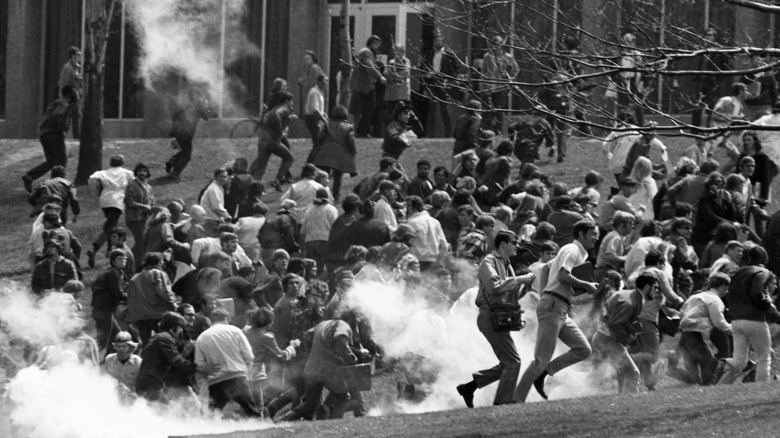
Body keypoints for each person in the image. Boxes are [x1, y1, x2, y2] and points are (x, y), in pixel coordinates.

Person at [515, 220, 599, 402]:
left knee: (583, 349)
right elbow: (563, 275)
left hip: (559, 307)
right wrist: (586, 284)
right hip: (553, 306)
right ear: (581, 235)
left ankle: (545, 374)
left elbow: (547, 268)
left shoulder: (578, 252)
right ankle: (517, 399)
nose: (596, 237)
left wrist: (545, 291)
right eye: (593, 234)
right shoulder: (572, 249)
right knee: (540, 358)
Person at [456, 230, 535, 407]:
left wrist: (523, 286)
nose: (517, 246)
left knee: (508, 363)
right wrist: (521, 278)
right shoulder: (489, 261)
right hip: (490, 317)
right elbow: (495, 286)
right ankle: (502, 403)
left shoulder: (505, 262)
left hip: (499, 317)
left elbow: (507, 292)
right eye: (514, 242)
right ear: (503, 244)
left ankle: (470, 387)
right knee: (513, 362)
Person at [591, 272, 658, 394]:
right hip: (607, 340)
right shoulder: (629, 301)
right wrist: (628, 339)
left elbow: (628, 318)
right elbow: (614, 324)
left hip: (603, 338)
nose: (657, 291)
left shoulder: (633, 296)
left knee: (598, 380)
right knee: (633, 373)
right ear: (647, 287)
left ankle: (570, 388)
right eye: (656, 288)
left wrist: (638, 328)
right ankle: (629, 404)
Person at [668, 272, 732, 385]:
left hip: (684, 338)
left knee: (694, 378)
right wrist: (735, 329)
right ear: (723, 286)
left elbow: (682, 313)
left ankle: (670, 370)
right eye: (727, 289)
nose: (727, 292)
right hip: (696, 338)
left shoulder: (694, 297)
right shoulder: (715, 300)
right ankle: (708, 391)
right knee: (709, 368)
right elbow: (719, 323)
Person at [194, 308, 261, 417]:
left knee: (213, 414)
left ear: (211, 320)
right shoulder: (235, 331)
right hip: (238, 376)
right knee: (251, 410)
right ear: (227, 318)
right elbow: (249, 355)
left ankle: (206, 431)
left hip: (216, 380)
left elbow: (200, 365)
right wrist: (247, 370)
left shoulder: (201, 337)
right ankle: (259, 427)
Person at [136, 312, 213, 403]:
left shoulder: (159, 338)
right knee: (161, 413)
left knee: (161, 411)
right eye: (180, 328)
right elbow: (176, 361)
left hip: (151, 382)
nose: (181, 331)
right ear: (174, 327)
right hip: (151, 383)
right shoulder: (165, 338)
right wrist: (199, 367)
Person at [22, 85, 79, 192]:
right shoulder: (63, 103)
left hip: (44, 133)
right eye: (74, 92)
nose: (77, 94)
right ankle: (58, 185)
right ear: (68, 94)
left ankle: (29, 176)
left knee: (51, 161)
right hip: (52, 133)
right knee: (61, 160)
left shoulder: (58, 102)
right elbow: (56, 116)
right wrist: (60, 129)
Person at [87, 155, 135, 268]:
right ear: (122, 163)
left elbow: (92, 178)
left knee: (111, 226)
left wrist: (95, 190)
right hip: (117, 200)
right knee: (109, 228)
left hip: (105, 200)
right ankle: (96, 249)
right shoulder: (126, 172)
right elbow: (133, 182)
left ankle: (107, 249)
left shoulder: (103, 172)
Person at [125, 252, 177, 346]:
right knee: (164, 341)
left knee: (147, 344)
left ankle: (147, 359)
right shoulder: (158, 273)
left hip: (140, 316)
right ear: (160, 262)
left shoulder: (135, 277)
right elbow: (164, 292)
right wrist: (174, 306)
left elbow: (130, 298)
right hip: (157, 314)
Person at [250, 92, 296, 191]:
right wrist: (281, 131)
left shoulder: (273, 109)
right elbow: (277, 117)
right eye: (291, 101)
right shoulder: (284, 109)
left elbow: (265, 120)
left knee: (260, 170)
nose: (292, 103)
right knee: (289, 158)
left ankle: (251, 190)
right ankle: (277, 180)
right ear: (287, 101)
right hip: (272, 141)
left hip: (262, 140)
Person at [165, 82, 212, 178]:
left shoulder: (188, 106)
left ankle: (172, 161)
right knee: (187, 155)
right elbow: (206, 117)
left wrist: (175, 129)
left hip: (179, 133)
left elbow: (174, 116)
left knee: (185, 151)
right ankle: (175, 173)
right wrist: (206, 107)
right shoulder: (198, 106)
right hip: (186, 134)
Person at [311, 105, 357, 202]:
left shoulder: (327, 124)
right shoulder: (348, 127)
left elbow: (320, 137)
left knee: (323, 176)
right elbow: (350, 140)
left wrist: (321, 146)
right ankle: (335, 197)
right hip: (340, 154)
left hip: (326, 152)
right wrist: (352, 151)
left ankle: (320, 195)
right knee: (338, 177)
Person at [91, 249, 129, 358]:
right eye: (119, 259)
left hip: (102, 309)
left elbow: (94, 287)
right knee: (102, 341)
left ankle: (108, 360)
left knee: (117, 336)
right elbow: (117, 293)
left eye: (124, 259)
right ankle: (85, 359)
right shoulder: (113, 273)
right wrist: (133, 299)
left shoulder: (107, 271)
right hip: (104, 310)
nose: (123, 261)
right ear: (113, 260)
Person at [421, 32, 460, 136]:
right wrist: (426, 83)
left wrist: (450, 80)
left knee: (444, 109)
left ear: (443, 42)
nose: (437, 43)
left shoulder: (449, 54)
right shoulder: (430, 53)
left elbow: (456, 69)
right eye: (436, 41)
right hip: (432, 81)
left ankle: (448, 134)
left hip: (443, 82)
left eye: (439, 41)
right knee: (431, 109)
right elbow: (425, 68)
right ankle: (429, 134)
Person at [480, 35, 520, 135]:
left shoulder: (507, 57)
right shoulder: (487, 56)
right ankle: (487, 132)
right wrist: (482, 87)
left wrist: (509, 78)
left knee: (498, 111)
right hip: (488, 87)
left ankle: (498, 132)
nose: (496, 46)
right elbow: (483, 72)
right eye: (494, 44)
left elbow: (516, 69)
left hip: (501, 88)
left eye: (499, 44)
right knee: (487, 112)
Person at [350, 48, 386, 138]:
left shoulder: (358, 61)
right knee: (365, 111)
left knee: (364, 112)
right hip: (363, 89)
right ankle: (361, 132)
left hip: (363, 88)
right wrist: (380, 77)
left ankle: (362, 132)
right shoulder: (365, 56)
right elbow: (369, 67)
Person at [405, 196, 449, 271]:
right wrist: (440, 261)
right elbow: (444, 245)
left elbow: (406, 244)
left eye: (408, 206)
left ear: (413, 207)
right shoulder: (435, 222)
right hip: (433, 261)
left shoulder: (412, 222)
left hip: (416, 262)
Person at [301, 188, 338, 274]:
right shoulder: (331, 210)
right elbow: (336, 227)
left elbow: (302, 231)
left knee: (315, 270)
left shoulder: (309, 211)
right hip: (325, 240)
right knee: (331, 268)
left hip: (310, 242)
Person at [124, 163, 155, 262]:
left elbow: (152, 201)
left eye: (144, 171)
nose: (142, 173)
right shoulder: (132, 185)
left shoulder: (149, 187)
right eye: (140, 171)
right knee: (141, 242)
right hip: (134, 218)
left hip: (145, 219)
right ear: (136, 172)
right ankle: (137, 265)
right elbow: (128, 201)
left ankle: (129, 259)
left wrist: (152, 208)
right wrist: (143, 207)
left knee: (142, 242)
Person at [303, 74, 328, 162]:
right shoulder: (314, 92)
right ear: (319, 82)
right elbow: (314, 109)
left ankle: (315, 164)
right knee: (318, 144)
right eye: (324, 81)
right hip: (312, 119)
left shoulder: (320, 92)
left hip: (316, 119)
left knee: (319, 143)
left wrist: (324, 115)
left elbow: (319, 109)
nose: (325, 83)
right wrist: (324, 120)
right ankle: (309, 165)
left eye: (326, 81)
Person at [383, 44, 412, 117]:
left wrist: (395, 76)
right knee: (391, 114)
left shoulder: (406, 62)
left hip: (403, 93)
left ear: (403, 52)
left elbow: (405, 73)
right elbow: (388, 74)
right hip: (392, 93)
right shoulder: (391, 62)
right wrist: (396, 76)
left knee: (403, 114)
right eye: (396, 51)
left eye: (399, 51)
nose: (397, 53)